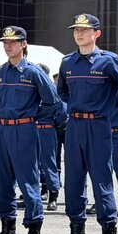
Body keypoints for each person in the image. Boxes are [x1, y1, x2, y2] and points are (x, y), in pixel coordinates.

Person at [49, 14, 118, 234]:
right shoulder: (67, 62)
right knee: (73, 182)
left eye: (84, 29)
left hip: (99, 126)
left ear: (96, 34)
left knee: (102, 182)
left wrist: (108, 106)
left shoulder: (108, 61)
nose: (79, 33)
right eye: (76, 29)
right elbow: (62, 92)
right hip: (75, 125)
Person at [0, 27, 60, 234]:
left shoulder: (34, 72)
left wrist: (31, 116)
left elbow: (52, 101)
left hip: (25, 130)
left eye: (13, 42)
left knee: (28, 181)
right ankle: (7, 232)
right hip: (2, 130)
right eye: (5, 42)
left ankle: (33, 233)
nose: (8, 46)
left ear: (24, 44)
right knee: (2, 181)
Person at [36, 63, 67, 211]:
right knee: (31, 165)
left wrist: (55, 125)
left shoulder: (51, 89)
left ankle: (53, 197)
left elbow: (62, 111)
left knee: (49, 164)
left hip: (46, 130)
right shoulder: (31, 88)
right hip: (30, 128)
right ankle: (33, 196)